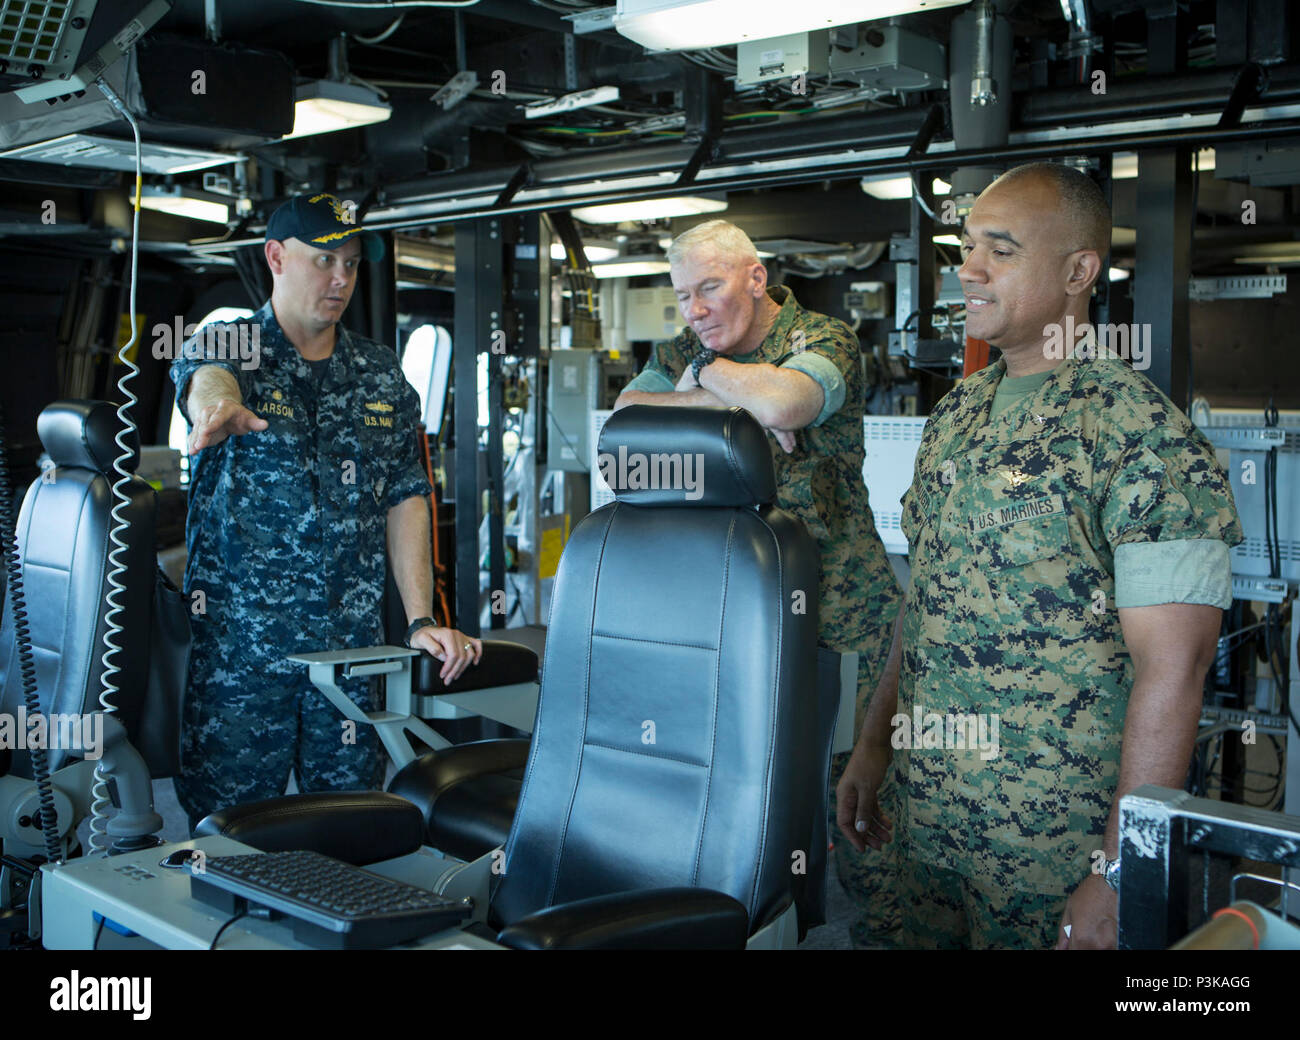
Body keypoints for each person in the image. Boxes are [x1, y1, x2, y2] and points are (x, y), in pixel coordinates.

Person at [836, 162, 1242, 949]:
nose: (968, 269)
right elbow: (924, 599)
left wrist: (1123, 868)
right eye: (965, 247)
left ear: (1078, 272)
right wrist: (875, 743)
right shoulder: (958, 414)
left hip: (1048, 847)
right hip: (923, 816)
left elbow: (1176, 667)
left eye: (1001, 249)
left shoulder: (1137, 437)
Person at [613, 218, 904, 947]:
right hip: (742, 606)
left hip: (844, 610)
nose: (695, 312)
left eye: (709, 288)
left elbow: (788, 404)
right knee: (764, 793)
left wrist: (711, 382)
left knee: (862, 806)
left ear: (754, 277)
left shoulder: (823, 339)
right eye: (683, 298)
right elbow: (624, 420)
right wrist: (739, 399)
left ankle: (884, 934)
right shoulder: (681, 346)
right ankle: (782, 925)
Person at [170, 192, 481, 830]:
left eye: (350, 263)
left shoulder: (380, 375)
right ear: (277, 258)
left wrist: (421, 616)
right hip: (243, 660)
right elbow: (208, 376)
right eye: (323, 261)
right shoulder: (228, 344)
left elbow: (406, 496)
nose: (340, 278)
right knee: (227, 833)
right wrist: (216, 408)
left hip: (349, 656)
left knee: (347, 825)